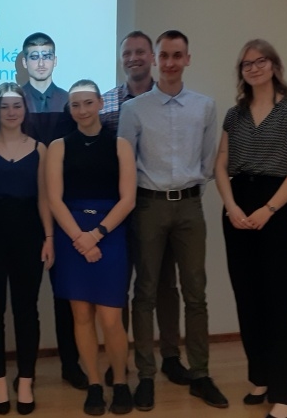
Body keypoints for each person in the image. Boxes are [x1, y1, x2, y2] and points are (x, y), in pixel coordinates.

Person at [118, 30, 225, 411]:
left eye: (177, 56)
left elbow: (208, 161)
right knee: (145, 291)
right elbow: (125, 165)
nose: (170, 63)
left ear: (187, 59)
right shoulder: (134, 109)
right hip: (149, 206)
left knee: (195, 292)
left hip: (190, 208)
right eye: (164, 55)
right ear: (155, 59)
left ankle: (200, 373)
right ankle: (146, 375)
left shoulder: (205, 106)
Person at [214, 40, 287, 418]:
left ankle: (286, 393)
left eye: (260, 61)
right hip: (238, 205)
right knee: (248, 296)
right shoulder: (234, 114)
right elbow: (220, 165)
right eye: (246, 64)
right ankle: (261, 377)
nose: (253, 68)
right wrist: (231, 207)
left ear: (274, 65)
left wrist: (270, 208)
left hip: (275, 205)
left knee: (279, 300)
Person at [99, 30, 189, 387]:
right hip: (117, 210)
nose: (133, 58)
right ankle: (119, 359)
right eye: (127, 53)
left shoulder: (168, 99)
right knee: (118, 288)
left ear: (152, 57)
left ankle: (170, 356)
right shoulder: (105, 103)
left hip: (157, 203)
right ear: (121, 59)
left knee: (164, 284)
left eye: (140, 52)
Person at [45, 80, 136, 415]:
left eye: (87, 103)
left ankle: (121, 382)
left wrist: (95, 235)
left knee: (111, 318)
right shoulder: (58, 147)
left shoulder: (120, 145)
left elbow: (128, 199)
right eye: (75, 105)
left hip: (109, 233)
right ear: (70, 109)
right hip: (72, 236)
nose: (82, 110)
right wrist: (79, 238)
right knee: (81, 316)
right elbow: (54, 199)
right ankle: (95, 384)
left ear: (100, 103)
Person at [0, 83, 53, 415]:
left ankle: (25, 380)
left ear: (25, 109)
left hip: (29, 237)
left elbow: (44, 197)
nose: (11, 112)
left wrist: (49, 237)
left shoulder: (39, 149)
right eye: (4, 106)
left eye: (16, 105)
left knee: (26, 310)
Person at [19, 32, 86, 389]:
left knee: (66, 294)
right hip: (24, 210)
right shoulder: (12, 102)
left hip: (65, 209)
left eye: (47, 55)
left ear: (55, 60)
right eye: (34, 55)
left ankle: (71, 364)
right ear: (24, 61)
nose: (41, 61)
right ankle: (25, 373)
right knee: (25, 299)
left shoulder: (69, 102)